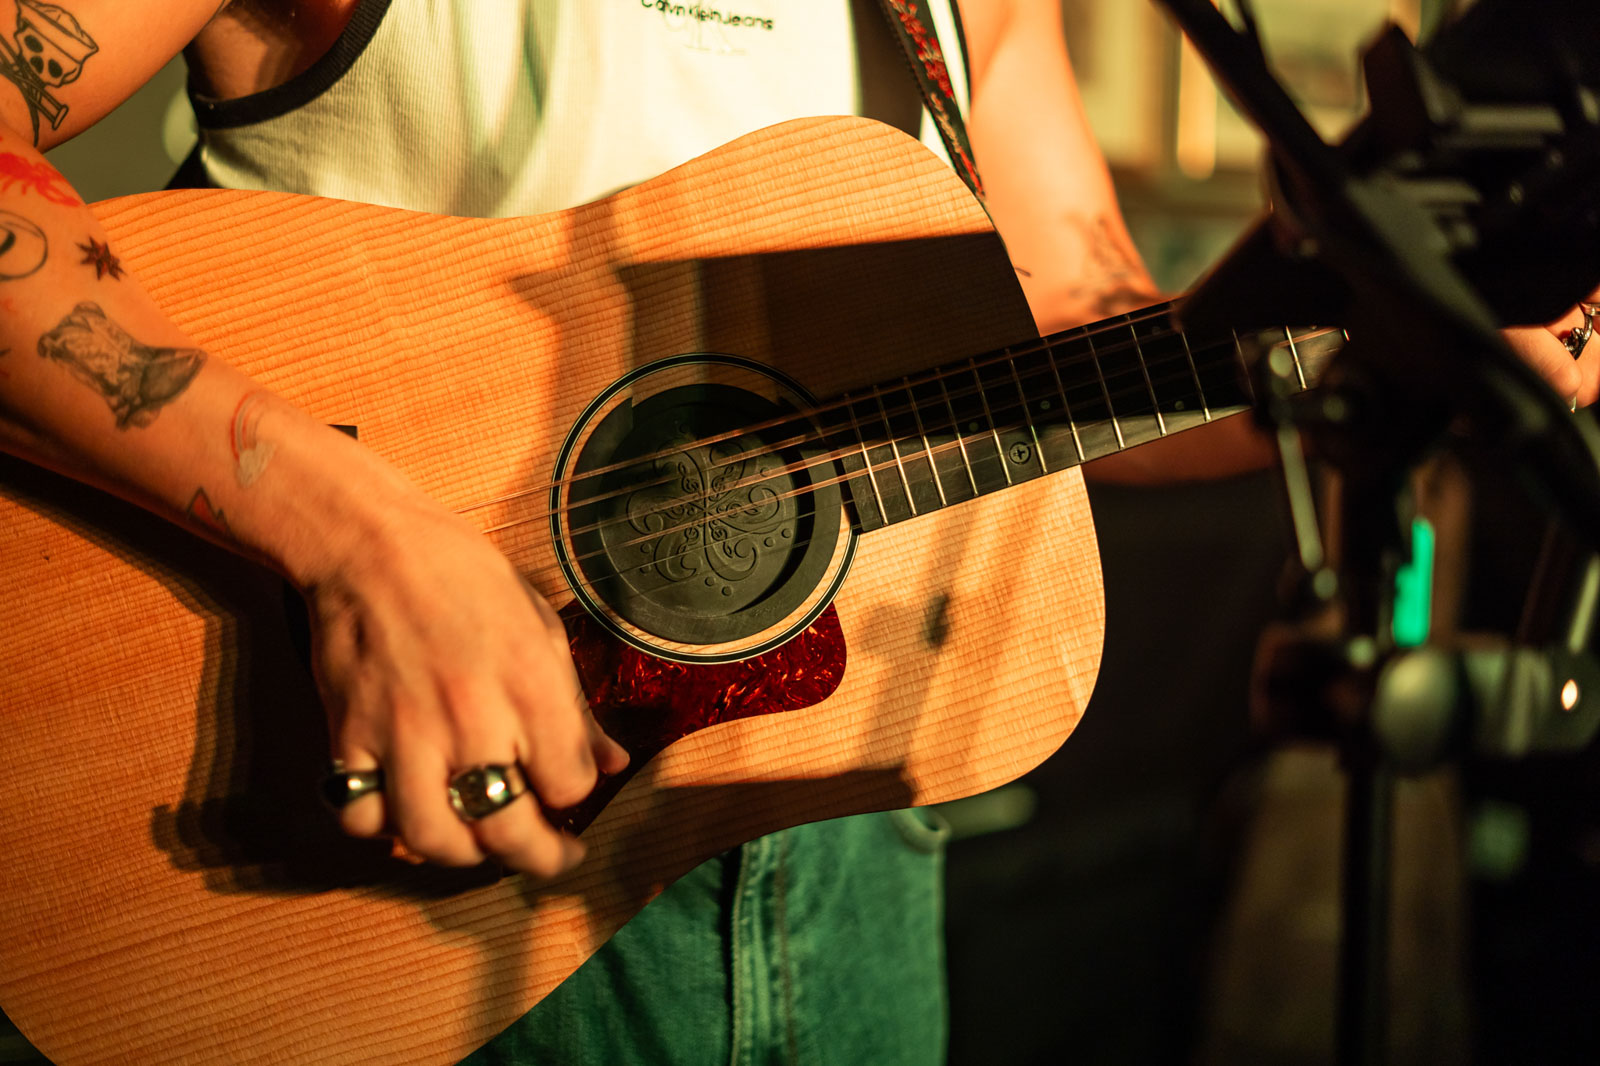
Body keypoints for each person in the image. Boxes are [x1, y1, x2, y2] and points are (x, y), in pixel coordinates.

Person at [0, 0, 1593, 1061]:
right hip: (382, 850)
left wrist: (1384, 335)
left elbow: (1064, 329)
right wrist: (356, 537)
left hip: (844, 837)